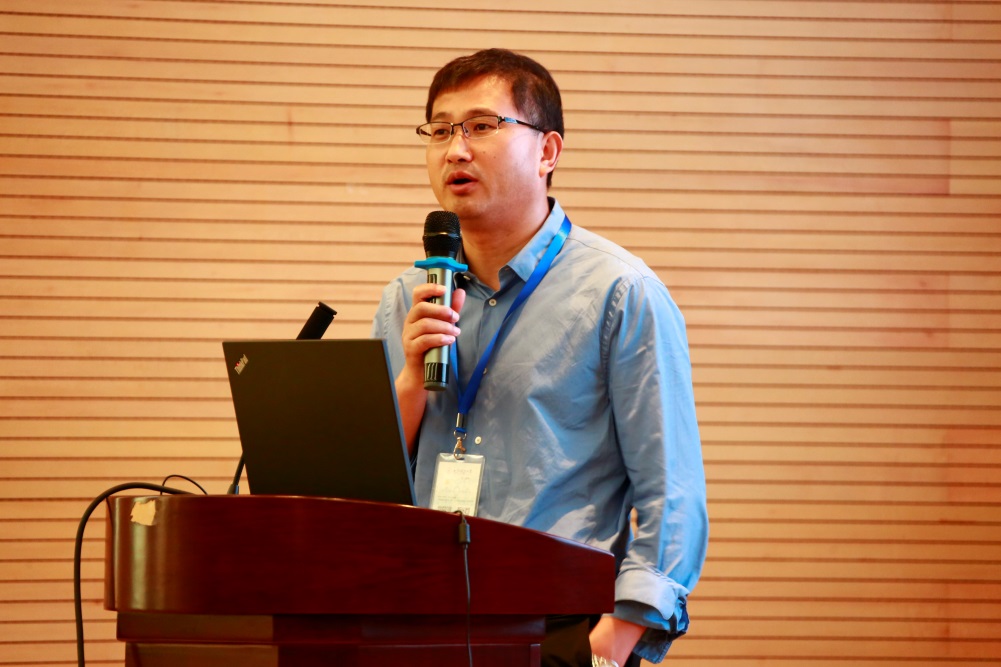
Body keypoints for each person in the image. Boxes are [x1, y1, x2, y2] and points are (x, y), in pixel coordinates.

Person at [371, 48, 708, 667]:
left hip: (557, 626)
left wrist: (614, 640)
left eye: (481, 126)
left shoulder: (619, 292)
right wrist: (412, 381)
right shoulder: (408, 296)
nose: (456, 151)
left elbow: (672, 489)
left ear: (548, 151)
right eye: (440, 131)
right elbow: (368, 488)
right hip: (417, 619)